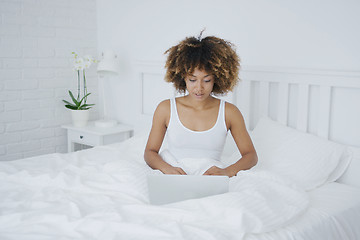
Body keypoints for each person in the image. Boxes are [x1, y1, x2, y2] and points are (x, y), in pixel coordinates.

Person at [144, 33, 257, 177]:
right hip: (172, 174)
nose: (199, 88)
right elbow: (150, 152)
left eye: (207, 80)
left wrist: (227, 172)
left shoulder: (229, 112)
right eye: (192, 80)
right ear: (182, 77)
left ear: (216, 78)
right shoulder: (165, 109)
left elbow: (251, 155)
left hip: (210, 177)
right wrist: (167, 169)